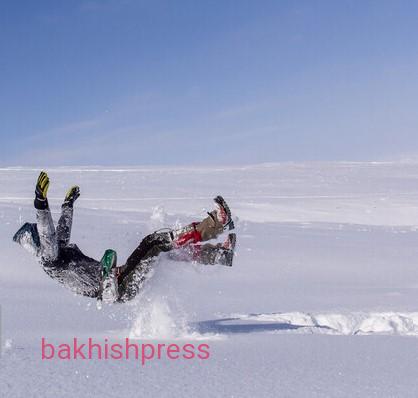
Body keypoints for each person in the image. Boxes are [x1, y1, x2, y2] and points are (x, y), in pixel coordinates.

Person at [13, 171, 237, 303]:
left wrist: (67, 205)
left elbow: (59, 233)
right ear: (36, 240)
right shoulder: (48, 259)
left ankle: (219, 255)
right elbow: (49, 235)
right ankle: (217, 224)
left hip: (118, 278)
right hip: (116, 288)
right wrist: (40, 204)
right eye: (39, 234)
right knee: (156, 243)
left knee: (160, 250)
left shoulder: (56, 255)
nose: (45, 236)